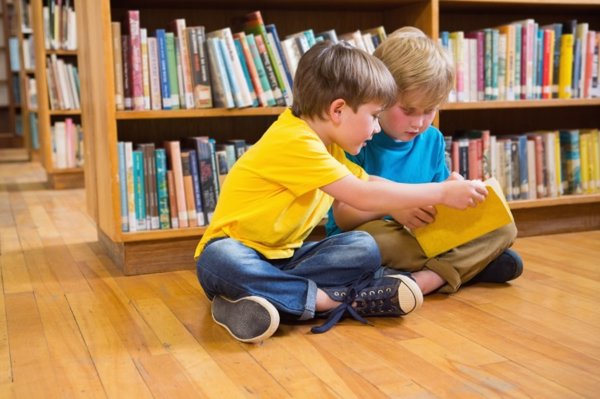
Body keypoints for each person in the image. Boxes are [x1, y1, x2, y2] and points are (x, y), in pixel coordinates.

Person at [195, 40, 488, 344]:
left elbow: (372, 183)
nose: (376, 128)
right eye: (374, 116)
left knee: (362, 246)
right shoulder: (295, 140)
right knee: (219, 255)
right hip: (237, 256)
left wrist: (443, 189)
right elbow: (361, 195)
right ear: (338, 110)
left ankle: (254, 301)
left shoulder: (329, 145)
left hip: (283, 259)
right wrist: (440, 193)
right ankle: (329, 302)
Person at [326, 27, 523, 296]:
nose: (418, 122)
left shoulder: (432, 139)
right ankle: (462, 269)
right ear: (380, 96)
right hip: (370, 234)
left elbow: (439, 203)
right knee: (371, 244)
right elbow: (343, 215)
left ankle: (423, 277)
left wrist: (455, 197)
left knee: (503, 227)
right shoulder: (357, 136)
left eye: (429, 110)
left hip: (420, 236)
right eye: (407, 110)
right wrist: (396, 205)